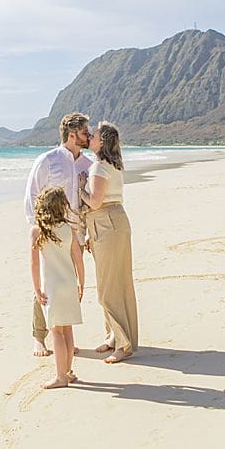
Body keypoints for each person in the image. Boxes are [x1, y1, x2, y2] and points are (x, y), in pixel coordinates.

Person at [23, 112, 91, 356]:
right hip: (49, 234)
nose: (89, 136)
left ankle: (64, 338)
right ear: (72, 135)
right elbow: (31, 196)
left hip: (75, 234)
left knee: (68, 285)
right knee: (44, 285)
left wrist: (87, 233)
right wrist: (39, 229)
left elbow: (89, 204)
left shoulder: (87, 165)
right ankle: (39, 337)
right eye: (85, 132)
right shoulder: (47, 160)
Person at [81, 120, 138, 363]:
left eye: (92, 136)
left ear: (101, 142)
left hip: (107, 222)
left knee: (107, 289)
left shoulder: (100, 167)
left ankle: (123, 344)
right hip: (112, 222)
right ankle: (115, 337)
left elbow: (94, 202)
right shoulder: (111, 165)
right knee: (118, 283)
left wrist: (79, 189)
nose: (88, 138)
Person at [30, 186, 84, 389]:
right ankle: (68, 372)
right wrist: (81, 283)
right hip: (69, 283)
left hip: (51, 286)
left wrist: (37, 290)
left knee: (56, 332)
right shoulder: (69, 229)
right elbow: (78, 259)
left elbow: (34, 264)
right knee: (67, 330)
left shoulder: (37, 231)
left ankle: (61, 376)